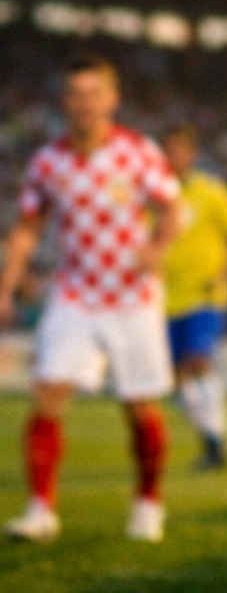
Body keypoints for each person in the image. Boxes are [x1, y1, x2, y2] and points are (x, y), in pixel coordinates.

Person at [0, 53, 183, 545]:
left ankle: (148, 503)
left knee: (138, 405)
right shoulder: (47, 161)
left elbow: (172, 207)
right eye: (75, 94)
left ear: (112, 99)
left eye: (93, 93)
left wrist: (157, 248)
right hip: (76, 292)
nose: (84, 104)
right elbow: (28, 227)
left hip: (132, 296)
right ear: (64, 102)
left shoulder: (137, 152)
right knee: (48, 392)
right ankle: (41, 509)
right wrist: (7, 283)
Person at [160, 124, 227, 469]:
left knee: (198, 362)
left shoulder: (212, 192)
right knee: (172, 380)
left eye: (178, 149)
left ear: (191, 154)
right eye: (167, 149)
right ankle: (211, 437)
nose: (172, 156)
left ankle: (215, 443)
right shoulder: (153, 195)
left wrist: (223, 273)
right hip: (165, 299)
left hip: (205, 295)